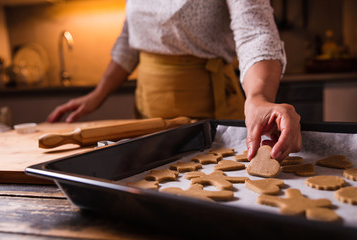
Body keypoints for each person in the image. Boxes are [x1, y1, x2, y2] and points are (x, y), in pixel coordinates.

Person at [47, 0, 302, 162]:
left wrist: (258, 98)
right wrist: (97, 95)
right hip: (148, 106)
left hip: (207, 105)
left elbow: (255, 33)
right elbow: (129, 40)